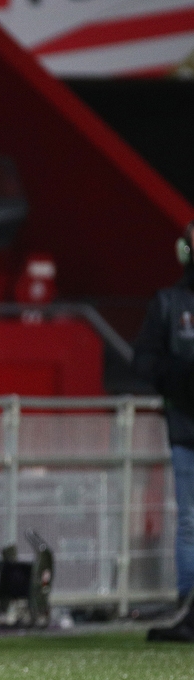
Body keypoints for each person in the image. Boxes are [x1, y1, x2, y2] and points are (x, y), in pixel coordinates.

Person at [134, 220, 194, 641]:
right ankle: (189, 606)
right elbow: (144, 360)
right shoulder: (169, 302)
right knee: (190, 520)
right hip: (186, 427)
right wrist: (177, 377)